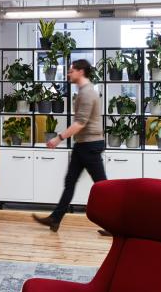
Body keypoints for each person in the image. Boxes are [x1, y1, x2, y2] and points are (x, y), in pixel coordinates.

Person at [33, 58, 107, 232]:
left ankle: (116, 225)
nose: (68, 73)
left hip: (90, 144)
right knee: (70, 181)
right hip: (83, 144)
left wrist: (58, 138)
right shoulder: (83, 91)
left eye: (71, 70)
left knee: (103, 187)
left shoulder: (88, 93)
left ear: (81, 72)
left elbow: (80, 123)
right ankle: (55, 219)